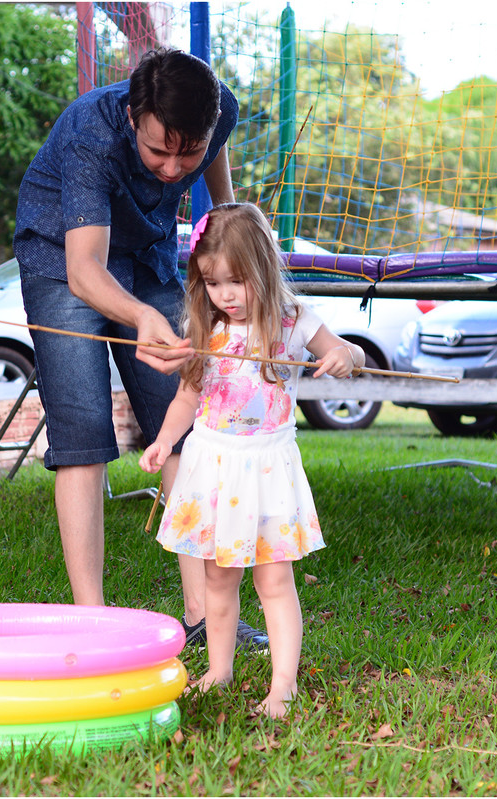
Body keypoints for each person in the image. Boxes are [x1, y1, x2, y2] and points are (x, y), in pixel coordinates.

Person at [13, 47, 266, 650]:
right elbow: (84, 271)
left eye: (188, 153)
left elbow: (214, 151)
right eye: (158, 151)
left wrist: (226, 212)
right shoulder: (92, 135)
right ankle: (93, 621)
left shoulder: (220, 109)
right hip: (63, 258)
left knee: (184, 426)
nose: (173, 169)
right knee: (82, 430)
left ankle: (204, 613)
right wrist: (142, 316)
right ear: (133, 117)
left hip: (147, 253)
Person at [138, 203, 366, 719]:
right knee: (219, 579)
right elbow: (187, 397)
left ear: (263, 267)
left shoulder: (293, 321)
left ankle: (283, 685)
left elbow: (351, 354)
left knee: (274, 581)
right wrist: (164, 441)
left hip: (267, 468)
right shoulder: (206, 326)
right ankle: (218, 672)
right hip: (213, 465)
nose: (225, 295)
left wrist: (344, 358)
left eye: (236, 281)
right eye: (212, 283)